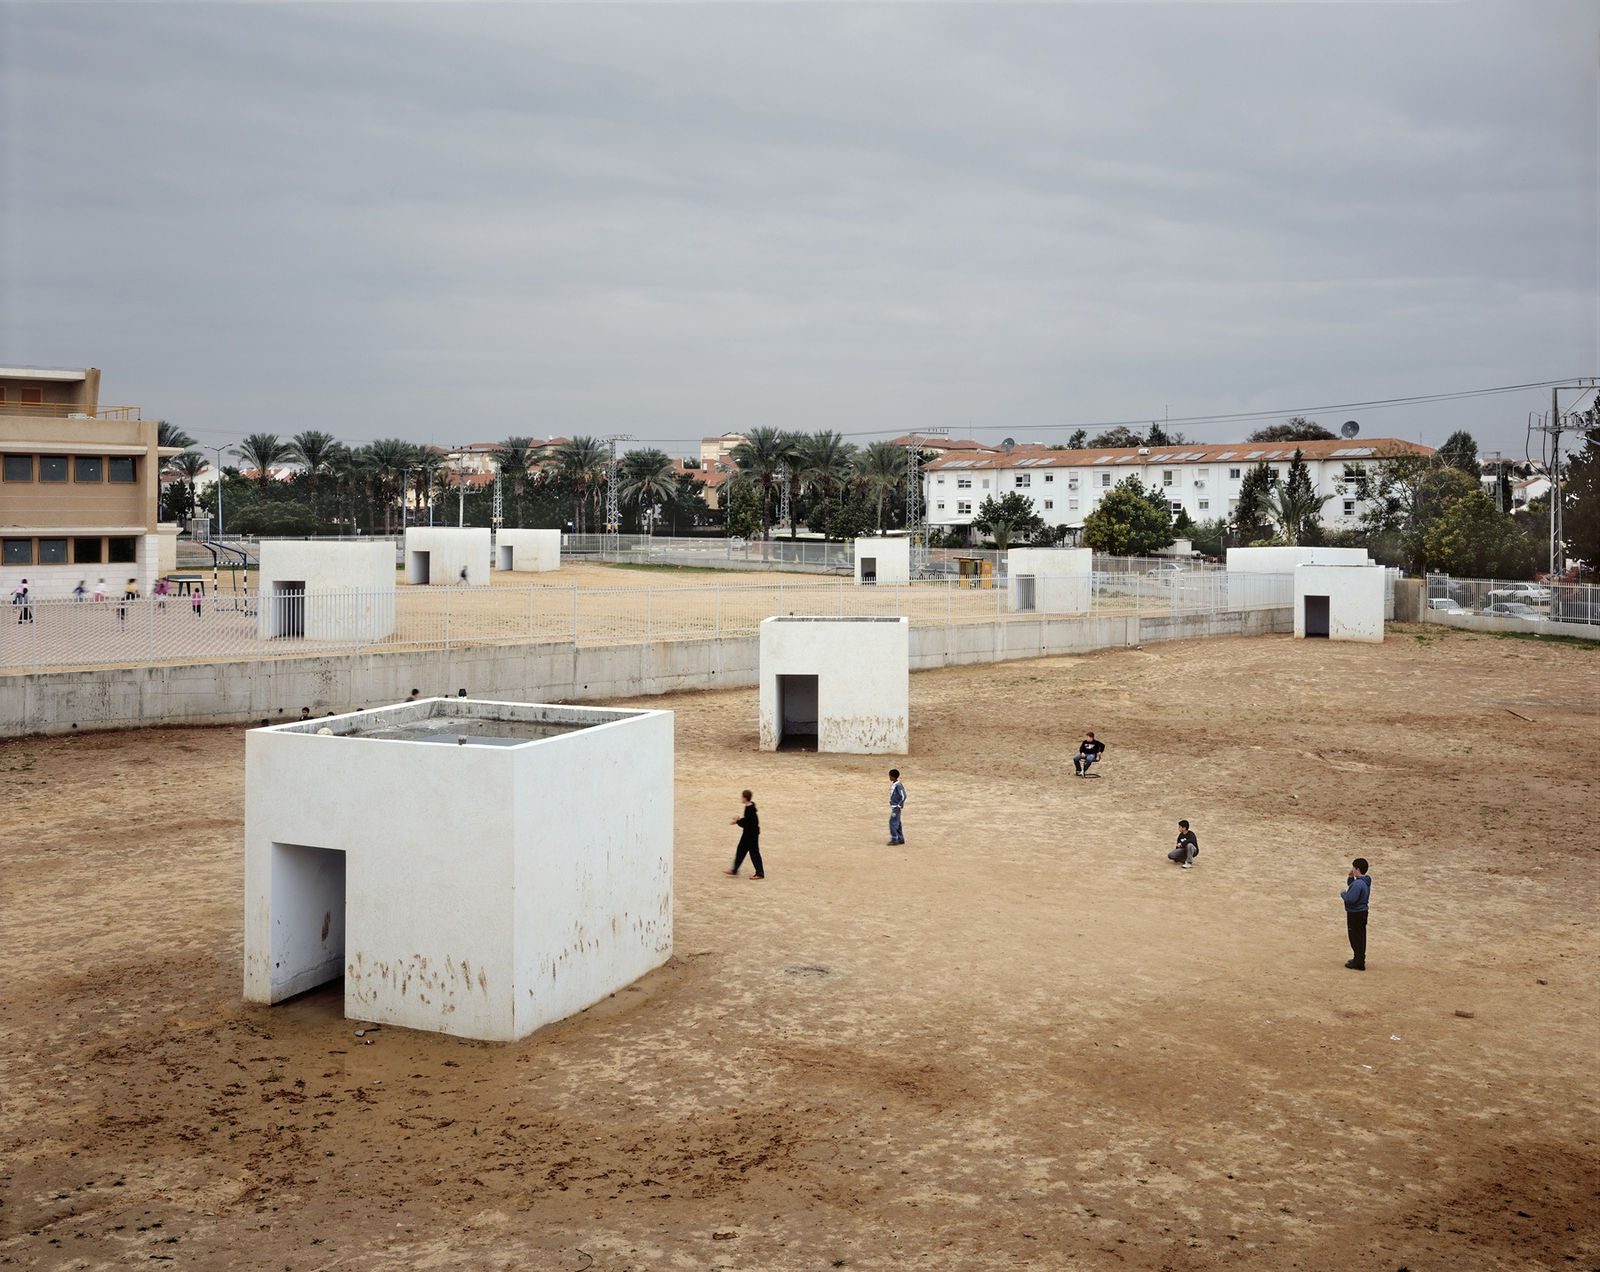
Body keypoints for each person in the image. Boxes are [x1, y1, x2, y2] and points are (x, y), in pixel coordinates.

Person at [724, 789, 763, 879]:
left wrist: (737, 821)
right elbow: (747, 821)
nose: (741, 798)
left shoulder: (749, 809)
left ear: (745, 798)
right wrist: (739, 820)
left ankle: (760, 874)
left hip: (751, 835)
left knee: (754, 853)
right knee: (741, 850)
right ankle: (734, 870)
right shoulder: (750, 806)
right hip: (748, 834)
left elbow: (747, 823)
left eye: (742, 797)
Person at [1342, 858, 1371, 971]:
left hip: (1355, 914)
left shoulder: (1358, 884)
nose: (1352, 869)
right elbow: (1353, 887)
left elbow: (1351, 899)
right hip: (1362, 912)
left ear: (1357, 869)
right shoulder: (1365, 881)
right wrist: (1350, 877)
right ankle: (1359, 960)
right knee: (1360, 937)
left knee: (1355, 938)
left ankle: (1358, 962)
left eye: (1353, 868)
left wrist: (1343, 894)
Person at [888, 769, 907, 845]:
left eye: (890, 776)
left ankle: (894, 839)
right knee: (898, 823)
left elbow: (904, 796)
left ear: (893, 777)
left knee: (892, 823)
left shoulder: (898, 785)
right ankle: (901, 838)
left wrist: (899, 805)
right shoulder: (895, 783)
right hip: (894, 806)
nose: (889, 777)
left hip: (896, 808)